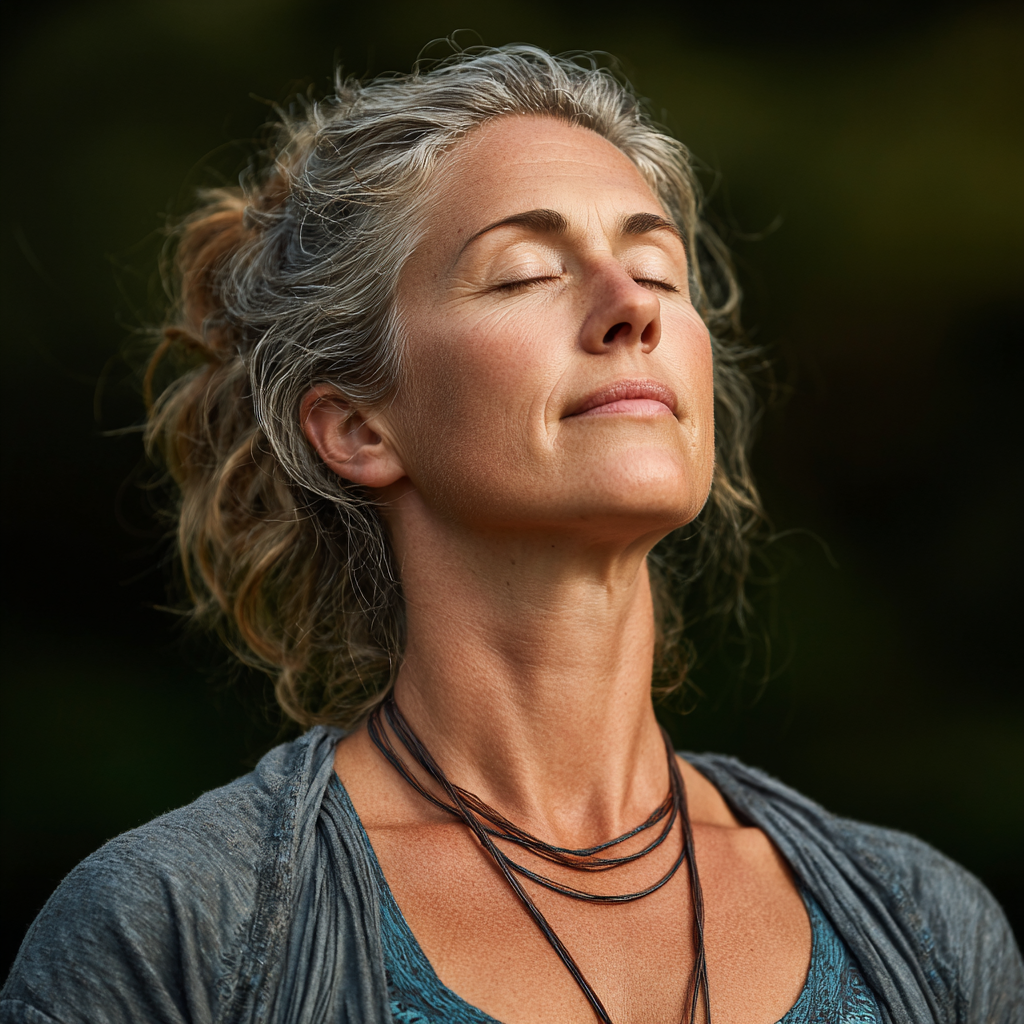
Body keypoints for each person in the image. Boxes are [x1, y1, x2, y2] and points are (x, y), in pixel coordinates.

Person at [1, 45, 1020, 1024]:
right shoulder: (179, 931)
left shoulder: (924, 926)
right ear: (358, 427)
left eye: (658, 270)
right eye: (527, 272)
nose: (630, 308)